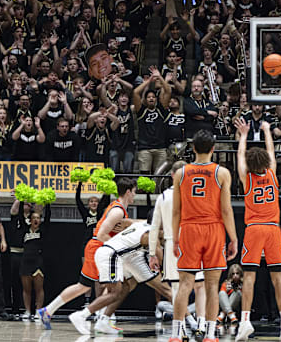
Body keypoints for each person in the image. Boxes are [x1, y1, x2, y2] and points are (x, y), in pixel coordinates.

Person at [37, 178, 136, 331]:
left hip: (99, 249)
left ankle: (48, 310)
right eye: (134, 192)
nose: (135, 196)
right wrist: (120, 247)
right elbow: (102, 234)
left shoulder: (119, 208)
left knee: (92, 286)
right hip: (99, 248)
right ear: (128, 192)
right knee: (110, 286)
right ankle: (97, 318)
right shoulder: (117, 211)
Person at [170, 130, 238, 342]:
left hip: (189, 229)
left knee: (185, 285)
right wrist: (233, 238)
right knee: (211, 286)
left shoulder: (181, 173)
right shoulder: (222, 173)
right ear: (213, 149)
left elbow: (176, 211)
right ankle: (209, 334)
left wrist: (174, 238)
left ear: (192, 148)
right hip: (213, 230)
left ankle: (175, 335)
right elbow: (226, 210)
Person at [232, 117, 281, 341]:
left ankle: (245, 322)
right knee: (278, 278)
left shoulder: (247, 178)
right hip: (273, 230)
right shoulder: (272, 174)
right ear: (265, 162)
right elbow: (271, 152)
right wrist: (266, 130)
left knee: (250, 277)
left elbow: (239, 156)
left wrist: (244, 135)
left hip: (254, 229)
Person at [69, 220, 172, 335]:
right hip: (111, 255)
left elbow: (130, 221)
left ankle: (103, 321)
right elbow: (159, 256)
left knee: (125, 287)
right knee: (114, 292)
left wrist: (122, 223)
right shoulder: (150, 233)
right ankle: (81, 315)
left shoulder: (140, 224)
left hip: (114, 255)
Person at [149, 160, 208, 337]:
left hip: (171, 243)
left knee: (177, 288)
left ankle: (180, 328)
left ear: (172, 175)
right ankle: (202, 325)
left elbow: (154, 227)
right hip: (193, 242)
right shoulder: (196, 194)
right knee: (199, 286)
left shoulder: (164, 197)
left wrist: (152, 253)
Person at [19, 203, 51, 321]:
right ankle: (27, 311)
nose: (36, 220)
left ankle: (38, 311)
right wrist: (21, 201)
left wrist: (48, 203)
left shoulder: (43, 230)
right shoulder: (24, 229)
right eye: (34, 218)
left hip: (38, 261)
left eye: (38, 218)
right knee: (26, 289)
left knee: (39, 288)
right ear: (30, 220)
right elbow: (20, 217)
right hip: (25, 262)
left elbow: (48, 218)